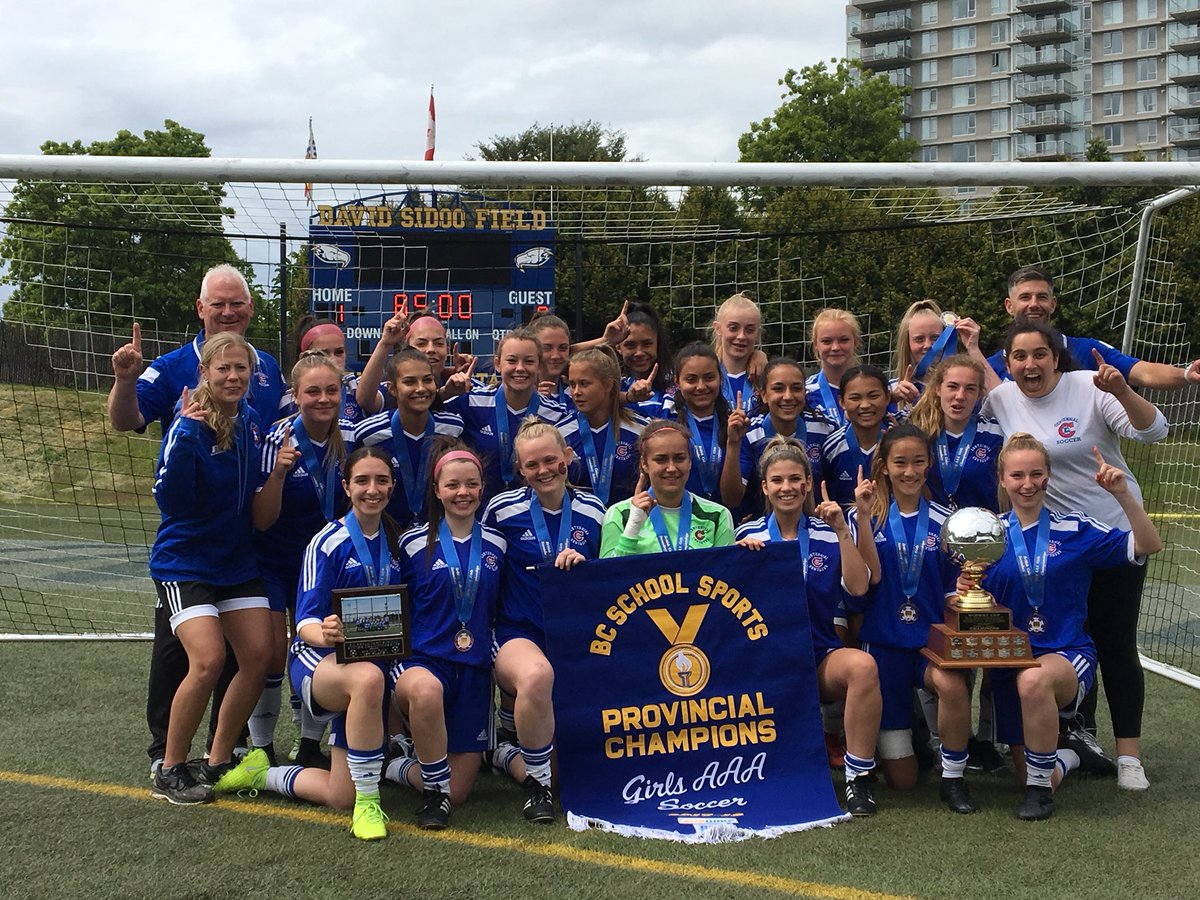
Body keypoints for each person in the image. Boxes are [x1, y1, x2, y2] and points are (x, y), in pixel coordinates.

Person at [108, 263, 286, 778]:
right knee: (192, 656)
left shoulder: (263, 383)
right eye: (218, 303)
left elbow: (271, 440)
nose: (228, 312)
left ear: (250, 309)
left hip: (239, 549)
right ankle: (167, 758)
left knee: (254, 654)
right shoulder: (171, 377)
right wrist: (124, 380)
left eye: (237, 303)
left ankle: (219, 753)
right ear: (200, 309)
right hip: (188, 552)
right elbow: (126, 421)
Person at [982, 319, 1169, 789]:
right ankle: (1073, 740)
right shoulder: (1001, 398)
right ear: (1007, 364)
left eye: (1040, 354)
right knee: (1058, 638)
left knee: (1116, 644)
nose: (1030, 364)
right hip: (1054, 549)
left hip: (1112, 532)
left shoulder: (1089, 385)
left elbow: (1155, 430)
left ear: (1057, 356)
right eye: (1020, 356)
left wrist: (1123, 391)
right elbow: (953, 400)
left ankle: (1129, 756)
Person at [215, 447, 404, 841]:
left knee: (338, 794)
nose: (373, 489)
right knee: (368, 680)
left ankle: (263, 772)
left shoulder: (398, 539)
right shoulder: (327, 542)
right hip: (321, 660)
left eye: (381, 480)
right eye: (363, 481)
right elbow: (304, 622)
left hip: (371, 662)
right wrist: (327, 634)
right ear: (346, 487)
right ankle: (370, 803)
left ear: (393, 485)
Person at [982, 433, 1163, 819]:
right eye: (1017, 475)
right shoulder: (987, 535)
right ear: (1002, 479)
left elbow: (1148, 544)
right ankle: (1070, 755)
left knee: (1034, 682)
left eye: (1036, 474)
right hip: (1008, 661)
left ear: (1049, 476)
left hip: (1065, 655)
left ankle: (1039, 796)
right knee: (1036, 772)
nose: (1027, 484)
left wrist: (1122, 494)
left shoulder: (1077, 529)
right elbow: (962, 599)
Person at [148, 332, 272, 806]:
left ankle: (218, 759)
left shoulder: (253, 421)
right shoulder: (189, 424)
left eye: (240, 368)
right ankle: (170, 767)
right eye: (223, 368)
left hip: (236, 560)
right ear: (205, 373)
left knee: (260, 656)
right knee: (208, 659)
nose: (233, 376)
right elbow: (171, 500)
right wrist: (181, 438)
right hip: (186, 562)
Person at [735, 437, 880, 816]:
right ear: (764, 486)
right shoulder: (746, 537)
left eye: (795, 479)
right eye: (777, 480)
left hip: (817, 655)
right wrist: (741, 565)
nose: (787, 488)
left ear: (808, 484)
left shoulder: (827, 532)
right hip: (764, 662)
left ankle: (857, 780)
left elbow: (860, 588)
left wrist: (843, 531)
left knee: (863, 667)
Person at [481, 421, 605, 822]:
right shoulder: (502, 511)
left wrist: (588, 567)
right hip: (520, 633)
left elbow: (611, 577)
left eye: (551, 459)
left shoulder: (595, 510)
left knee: (581, 767)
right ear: (520, 469)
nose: (544, 470)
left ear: (568, 456)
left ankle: (505, 754)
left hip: (576, 636)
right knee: (536, 676)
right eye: (532, 465)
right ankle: (538, 786)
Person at [851, 424, 975, 812]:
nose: (909, 471)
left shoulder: (947, 522)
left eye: (918, 462)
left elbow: (955, 588)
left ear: (930, 464)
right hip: (883, 647)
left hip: (928, 645)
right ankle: (915, 736)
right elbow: (862, 585)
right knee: (903, 781)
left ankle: (953, 778)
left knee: (953, 686)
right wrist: (862, 514)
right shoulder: (863, 517)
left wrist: (967, 588)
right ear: (883, 466)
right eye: (899, 462)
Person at [384, 440, 506, 829]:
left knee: (460, 792)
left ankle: (398, 766)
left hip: (473, 671)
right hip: (422, 661)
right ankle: (433, 792)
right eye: (452, 485)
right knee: (426, 691)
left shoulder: (498, 544)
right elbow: (389, 601)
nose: (463, 493)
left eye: (471, 484)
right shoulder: (412, 542)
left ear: (482, 487)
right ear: (436, 490)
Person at [251, 350, 357, 768]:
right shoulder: (274, 441)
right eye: (312, 391)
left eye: (332, 390)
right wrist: (278, 473)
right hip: (277, 562)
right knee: (273, 652)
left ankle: (310, 743)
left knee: (328, 648)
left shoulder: (353, 435)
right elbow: (260, 519)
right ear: (295, 396)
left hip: (328, 567)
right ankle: (261, 747)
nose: (323, 399)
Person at [986, 265, 1200, 388]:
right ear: (1009, 306)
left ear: (1052, 304)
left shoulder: (1087, 351)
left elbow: (1142, 372)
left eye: (1041, 297)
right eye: (1025, 297)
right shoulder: (990, 368)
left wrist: (1185, 374)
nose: (1034, 304)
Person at [444, 327, 566, 503]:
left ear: (540, 365)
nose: (520, 368)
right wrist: (444, 384)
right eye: (512, 360)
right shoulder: (470, 403)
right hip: (476, 512)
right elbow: (427, 413)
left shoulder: (556, 415)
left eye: (529, 361)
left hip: (530, 518)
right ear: (497, 364)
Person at [353, 348, 465, 529]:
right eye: (410, 382)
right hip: (386, 538)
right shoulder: (369, 434)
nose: (421, 388)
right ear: (392, 388)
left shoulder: (454, 428)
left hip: (437, 539)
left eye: (427, 380)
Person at [721, 357, 835, 519]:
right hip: (762, 533)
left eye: (796, 388)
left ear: (805, 392)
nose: (788, 396)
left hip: (814, 528)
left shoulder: (825, 429)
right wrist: (733, 443)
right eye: (778, 389)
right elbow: (731, 499)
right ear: (764, 395)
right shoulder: (749, 432)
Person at [601, 420, 735, 557]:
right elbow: (608, 576)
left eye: (679, 458)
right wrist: (633, 527)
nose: (671, 468)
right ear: (644, 464)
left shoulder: (717, 515)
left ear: (690, 461)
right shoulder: (620, 514)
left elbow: (728, 573)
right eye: (661, 459)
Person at [908, 354, 1005, 511]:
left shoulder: (996, 433)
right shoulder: (920, 434)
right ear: (938, 389)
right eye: (952, 386)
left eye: (970, 389)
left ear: (979, 394)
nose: (960, 396)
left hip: (984, 530)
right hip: (932, 531)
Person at [559, 347, 647, 505]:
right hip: (578, 526)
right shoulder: (559, 434)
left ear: (607, 385)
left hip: (630, 524)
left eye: (584, 384)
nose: (576, 392)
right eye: (572, 385)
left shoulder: (640, 431)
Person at [355, 312, 477, 414]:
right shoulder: (396, 387)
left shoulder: (465, 384)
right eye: (421, 344)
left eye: (439, 343)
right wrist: (385, 344)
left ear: (447, 350)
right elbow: (365, 400)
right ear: (406, 349)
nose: (431, 349)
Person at [662, 342, 734, 506]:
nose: (701, 386)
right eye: (691, 379)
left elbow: (735, 497)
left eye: (709, 378)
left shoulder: (734, 425)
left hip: (724, 522)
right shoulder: (665, 422)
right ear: (677, 382)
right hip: (677, 523)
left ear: (720, 379)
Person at [890, 300, 994, 407]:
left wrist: (973, 348)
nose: (928, 345)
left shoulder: (965, 389)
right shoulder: (891, 390)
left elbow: (1000, 401)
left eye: (935, 338)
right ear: (907, 344)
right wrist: (892, 399)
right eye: (919, 339)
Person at [821, 365, 893, 508]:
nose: (865, 405)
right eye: (855, 398)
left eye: (874, 396)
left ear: (887, 397)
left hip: (893, 528)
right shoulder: (832, 448)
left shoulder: (899, 444)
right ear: (842, 402)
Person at [285, 316, 377, 425]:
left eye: (339, 352)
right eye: (324, 353)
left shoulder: (359, 389)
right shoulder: (288, 402)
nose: (333, 359)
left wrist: (384, 344)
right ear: (307, 357)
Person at [805, 308, 863, 427]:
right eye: (827, 341)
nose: (835, 347)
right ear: (816, 344)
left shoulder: (874, 388)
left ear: (855, 342)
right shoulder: (805, 392)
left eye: (844, 340)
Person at [616, 301, 674, 419]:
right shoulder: (614, 386)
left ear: (657, 343)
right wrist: (604, 340)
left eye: (647, 344)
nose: (639, 353)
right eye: (630, 345)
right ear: (618, 347)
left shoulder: (677, 384)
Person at [710, 292, 763, 415]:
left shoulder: (766, 376)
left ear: (757, 333)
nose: (741, 336)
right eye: (733, 328)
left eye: (750, 330)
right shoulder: (707, 377)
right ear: (718, 328)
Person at [530, 313, 574, 409]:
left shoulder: (576, 396)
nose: (556, 356)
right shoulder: (517, 397)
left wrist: (605, 340)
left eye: (563, 348)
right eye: (547, 348)